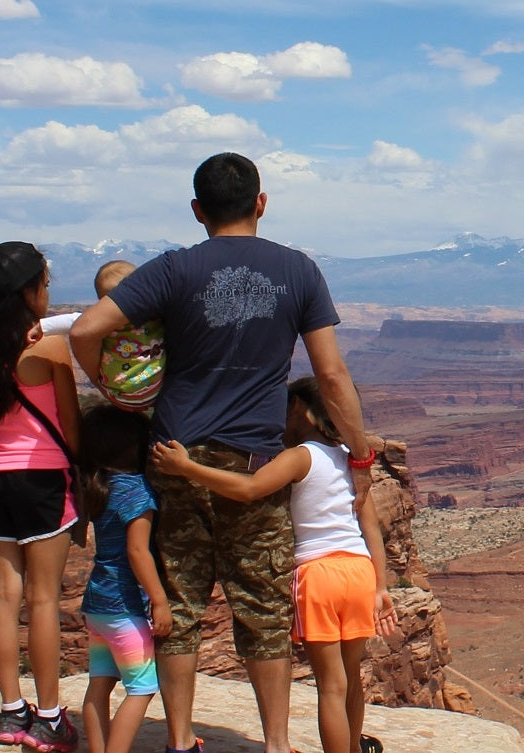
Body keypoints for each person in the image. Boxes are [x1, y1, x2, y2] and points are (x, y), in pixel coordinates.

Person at [68, 153, 373, 753]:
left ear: (197, 211)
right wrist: (358, 454)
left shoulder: (173, 269)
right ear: (262, 203)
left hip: (174, 457)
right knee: (260, 606)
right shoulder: (299, 271)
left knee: (181, 602)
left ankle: (181, 740)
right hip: (253, 462)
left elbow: (83, 330)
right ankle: (277, 744)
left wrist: (115, 390)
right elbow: (331, 375)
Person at [153, 377, 397, 753]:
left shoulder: (299, 456)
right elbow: (371, 528)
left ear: (300, 408)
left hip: (319, 575)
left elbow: (248, 488)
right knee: (351, 677)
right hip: (360, 571)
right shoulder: (351, 457)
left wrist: (187, 468)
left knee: (330, 685)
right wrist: (381, 586)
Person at [0, 241, 81, 752]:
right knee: (44, 598)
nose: (48, 291)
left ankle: (12, 713)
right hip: (44, 481)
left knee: (5, 595)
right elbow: (72, 429)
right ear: (27, 291)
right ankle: (50, 718)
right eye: (45, 283)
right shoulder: (47, 350)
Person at [73, 405, 171, 753]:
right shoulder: (136, 491)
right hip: (125, 608)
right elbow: (137, 551)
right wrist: (159, 600)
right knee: (142, 688)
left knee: (98, 686)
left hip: (97, 604)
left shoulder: (98, 485)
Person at [40, 261, 166, 411]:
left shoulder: (100, 323)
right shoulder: (153, 314)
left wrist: (40, 327)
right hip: (159, 386)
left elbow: (71, 320)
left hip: (121, 395)